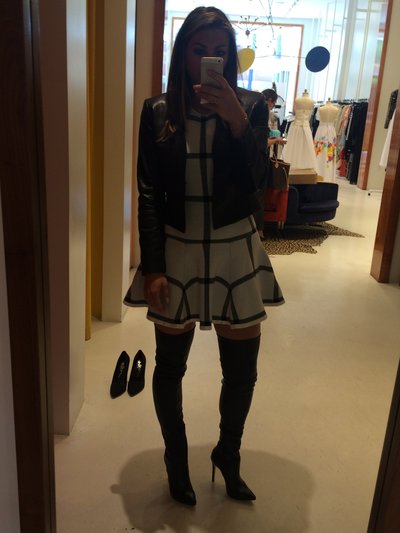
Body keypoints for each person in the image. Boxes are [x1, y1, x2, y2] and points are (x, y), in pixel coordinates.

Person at [124, 6, 284, 506]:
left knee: (242, 371)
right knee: (170, 366)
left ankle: (227, 455)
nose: (210, 58)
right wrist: (153, 267)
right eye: (199, 49)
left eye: (219, 50)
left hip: (236, 248)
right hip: (177, 251)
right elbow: (148, 194)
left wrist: (238, 122)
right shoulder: (157, 111)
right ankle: (176, 459)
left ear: (229, 57)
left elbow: (258, 183)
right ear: (183, 55)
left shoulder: (251, 107)